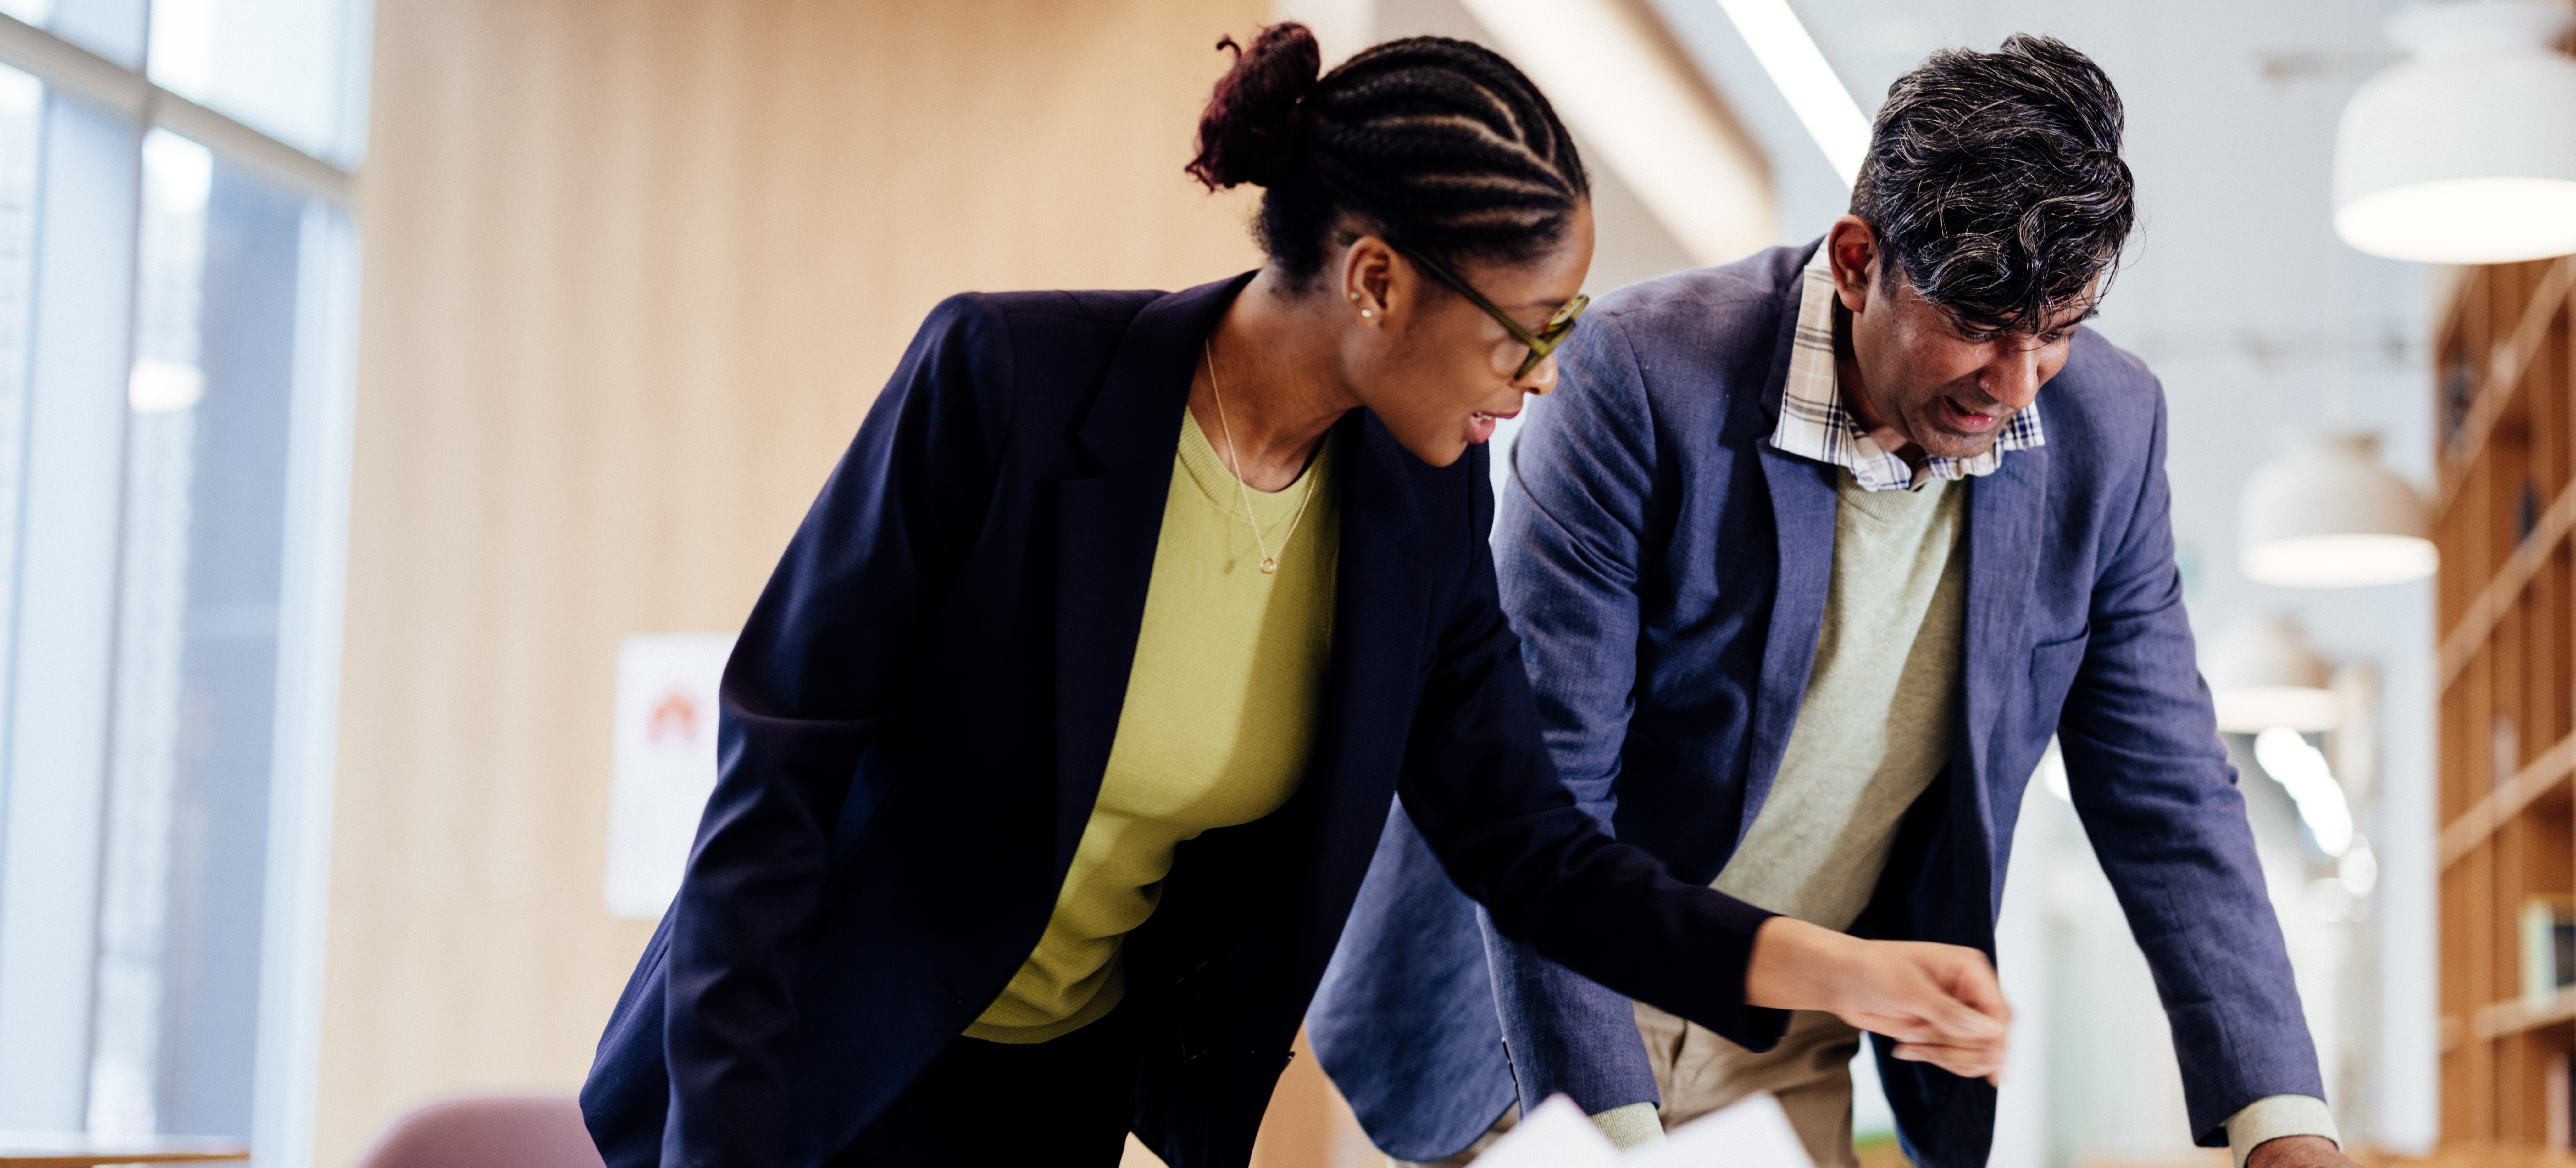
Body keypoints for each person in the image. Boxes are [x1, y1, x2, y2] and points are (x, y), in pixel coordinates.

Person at [576, 24, 2016, 1168]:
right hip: (808, 1072)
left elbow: (1525, 843)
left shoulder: (1416, 500)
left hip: (1053, 1099)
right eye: (1530, 332)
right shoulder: (1003, 390)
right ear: (1377, 282)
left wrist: (1823, 964)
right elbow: (776, 778)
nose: (1545, 381)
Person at [1312, 34, 2358, 1168]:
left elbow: (2168, 792)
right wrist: (1608, 1145)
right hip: (1528, 1017)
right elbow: (1552, 780)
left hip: (1786, 1032)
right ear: (1858, 261)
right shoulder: (1639, 377)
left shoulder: (2107, 432)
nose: (2015, 390)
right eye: (1978, 324)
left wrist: (2282, 1126)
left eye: (2056, 334)